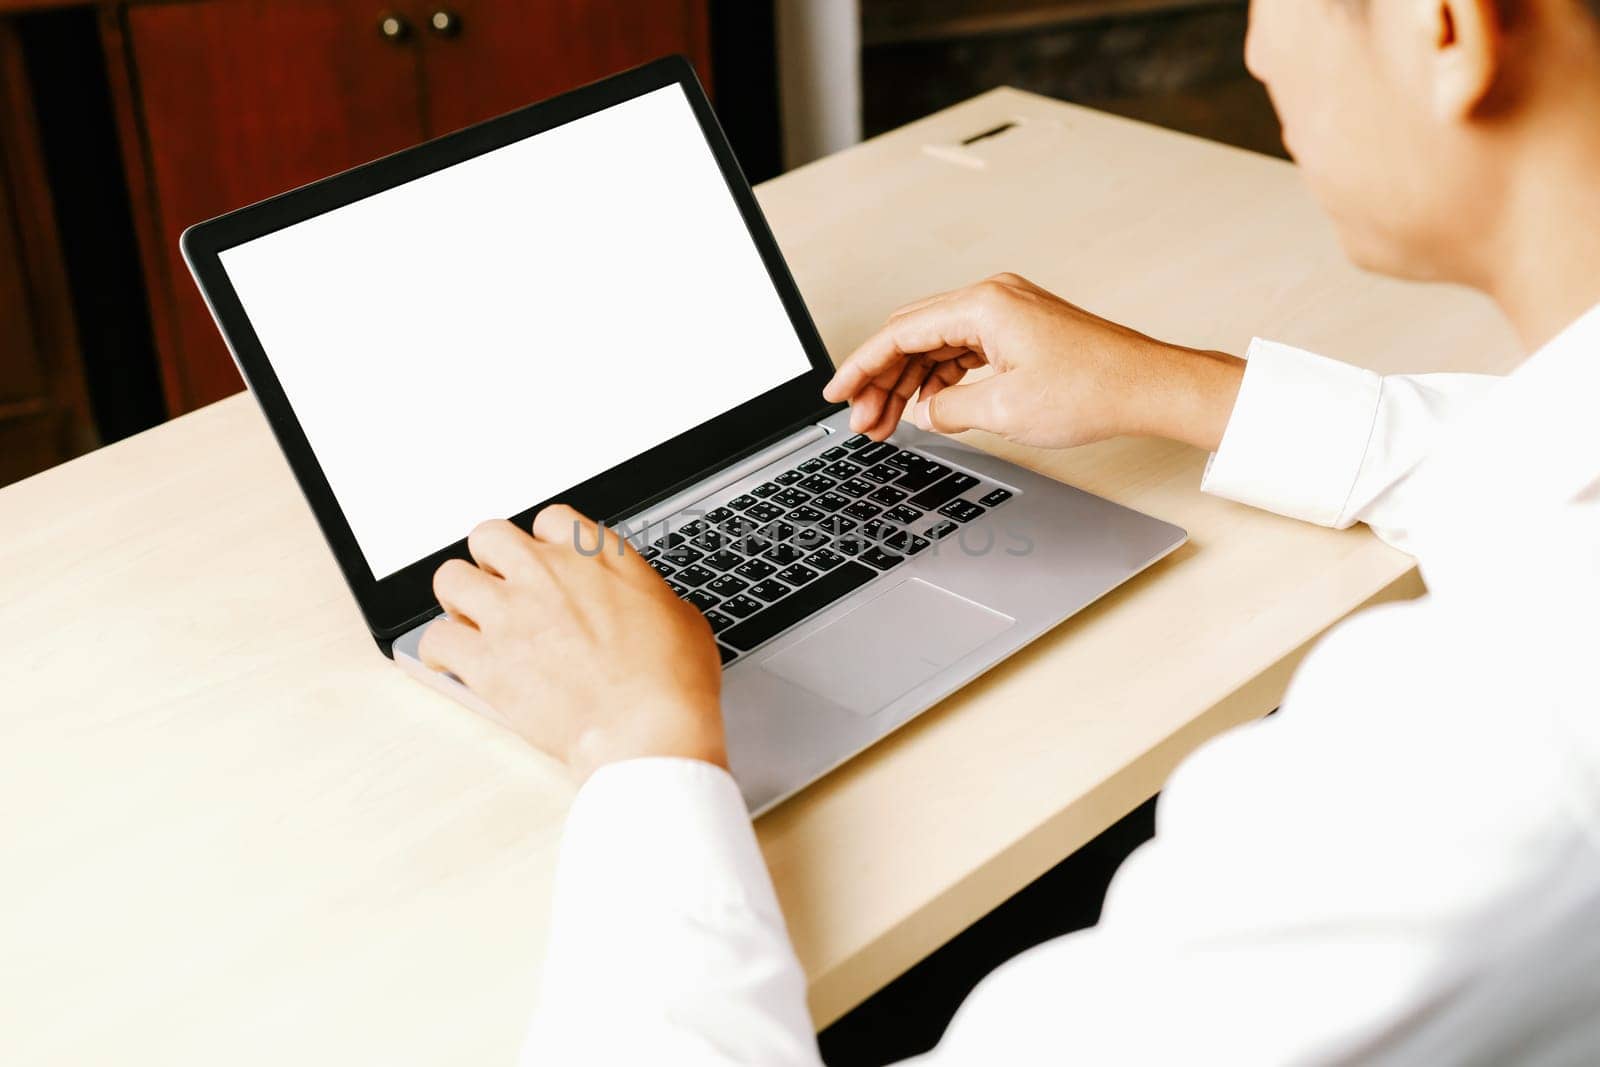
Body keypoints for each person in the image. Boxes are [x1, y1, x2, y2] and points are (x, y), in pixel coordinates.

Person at [418, 0, 1600, 1062]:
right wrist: (1177, 388)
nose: (1250, 47)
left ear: (1443, 28)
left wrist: (641, 735)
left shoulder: (1477, 762)